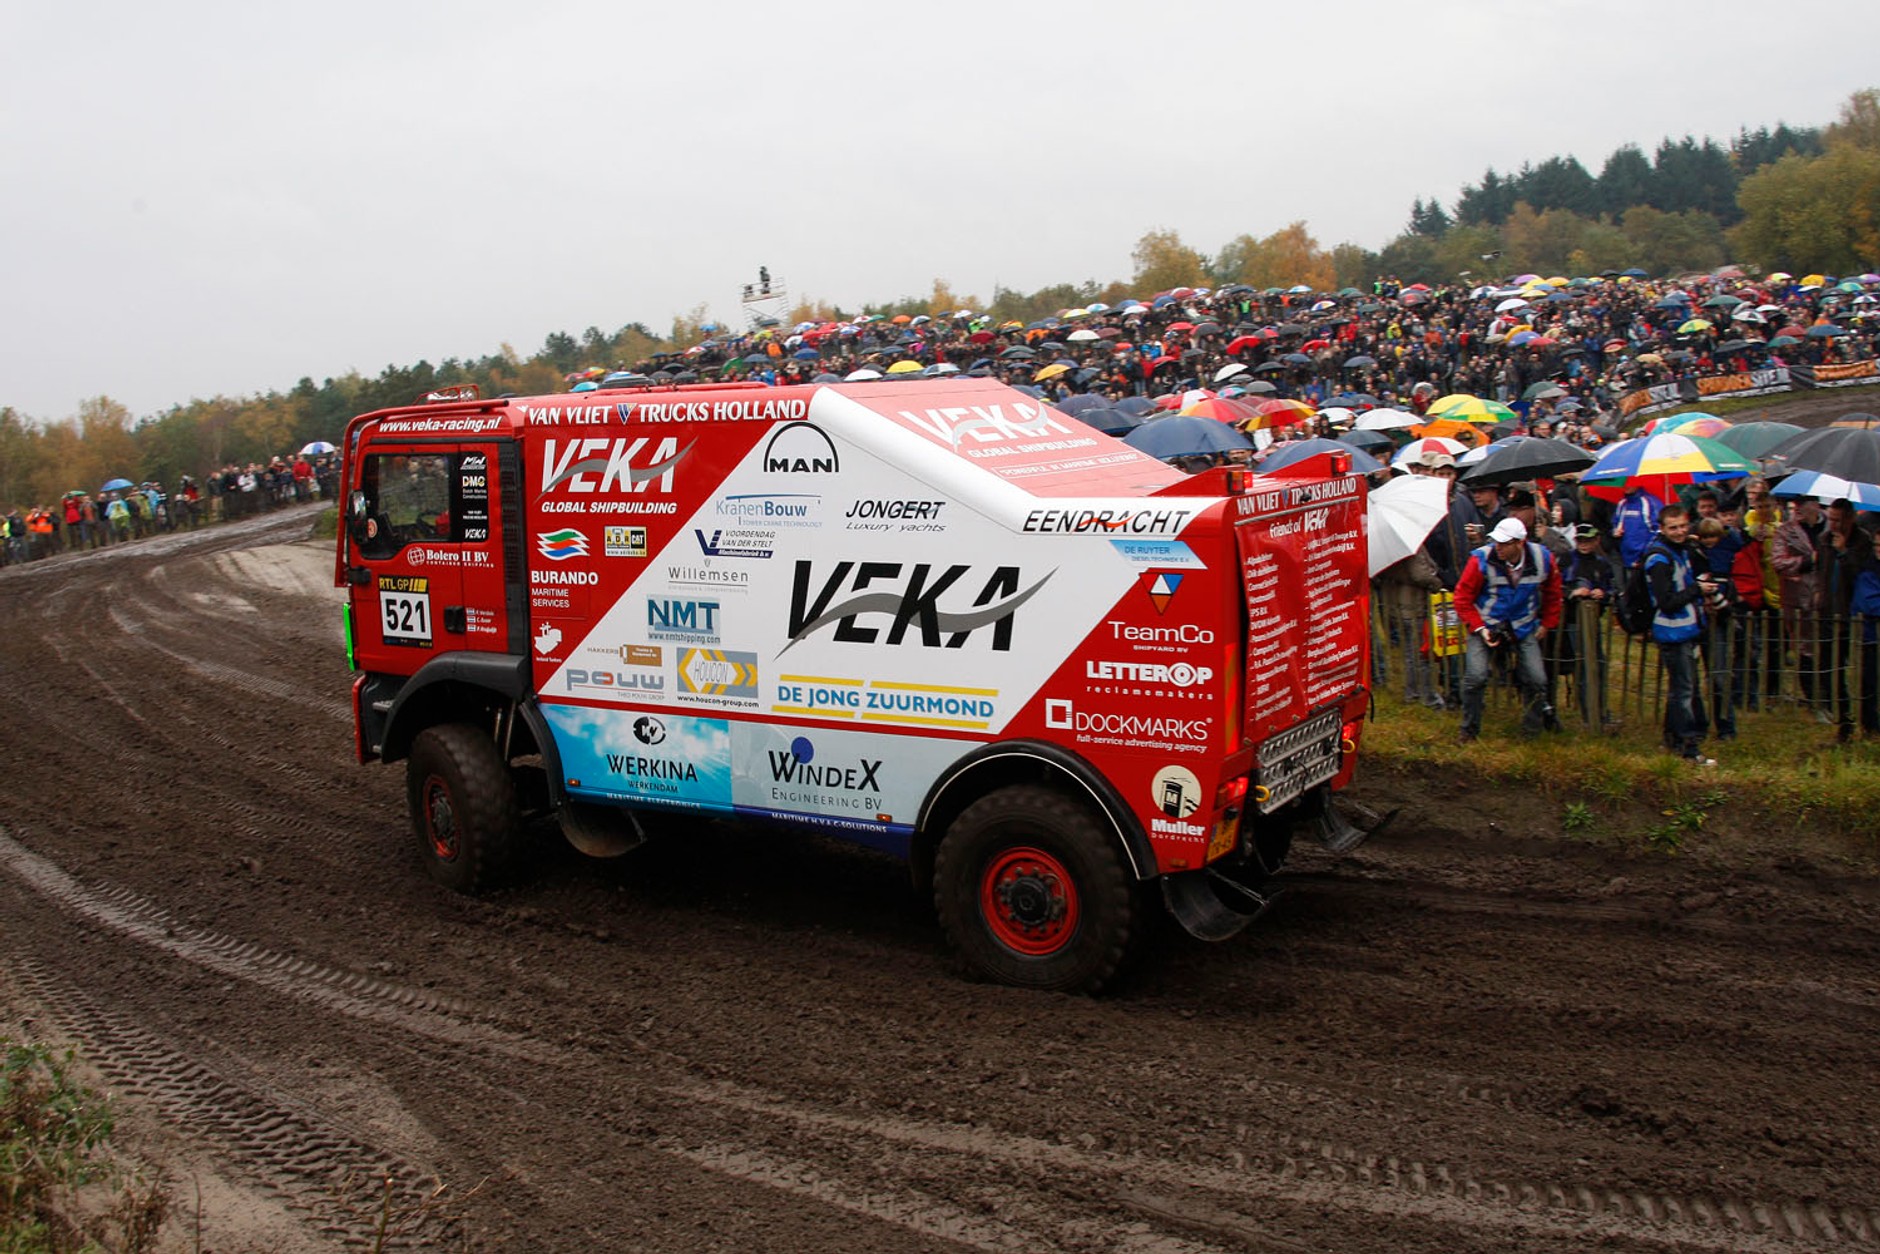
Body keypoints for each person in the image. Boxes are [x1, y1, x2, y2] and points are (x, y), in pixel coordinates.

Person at [1453, 517, 1563, 742]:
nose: (1498, 547)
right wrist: (1480, 628)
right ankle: (1469, 729)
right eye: (1496, 542)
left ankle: (1531, 731)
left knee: (1537, 679)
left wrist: (1547, 623)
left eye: (1504, 543)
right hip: (1486, 624)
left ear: (1519, 543)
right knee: (1475, 677)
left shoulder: (1543, 559)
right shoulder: (1480, 559)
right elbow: (1462, 597)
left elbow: (1554, 592)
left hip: (1523, 625)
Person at [1645, 505, 1718, 765]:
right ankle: (1689, 748)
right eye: (1673, 528)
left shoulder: (1683, 550)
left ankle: (1673, 738)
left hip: (1685, 629)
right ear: (1662, 529)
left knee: (1681, 689)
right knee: (1684, 691)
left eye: (1682, 526)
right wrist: (1697, 590)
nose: (1679, 532)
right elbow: (1665, 600)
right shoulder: (1659, 559)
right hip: (1671, 630)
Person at [1560, 522, 1616, 727]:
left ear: (1596, 540)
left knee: (1597, 664)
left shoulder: (1602, 564)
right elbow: (1556, 587)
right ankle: (1589, 712)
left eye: (1588, 540)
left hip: (1594, 621)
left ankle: (1599, 709)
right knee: (1583, 665)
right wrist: (1573, 593)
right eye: (1580, 540)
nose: (1584, 544)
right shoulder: (1566, 560)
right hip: (1572, 621)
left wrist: (1603, 594)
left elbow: (1611, 589)